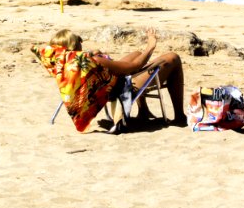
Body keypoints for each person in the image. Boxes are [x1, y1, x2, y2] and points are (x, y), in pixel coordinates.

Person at [34, 27, 186, 131]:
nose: (82, 42)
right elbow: (135, 66)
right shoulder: (94, 61)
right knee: (173, 58)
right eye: (79, 40)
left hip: (95, 91)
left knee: (136, 52)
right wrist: (151, 45)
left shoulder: (63, 63)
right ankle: (179, 116)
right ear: (75, 45)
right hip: (120, 91)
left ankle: (144, 111)